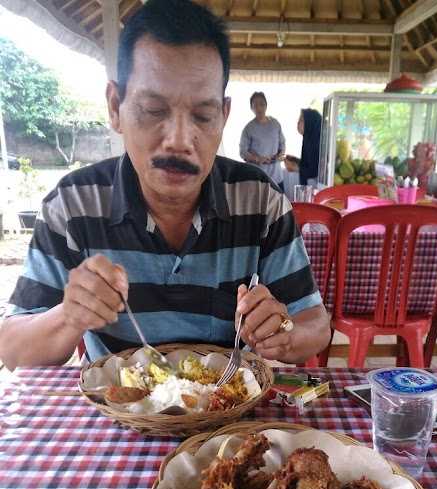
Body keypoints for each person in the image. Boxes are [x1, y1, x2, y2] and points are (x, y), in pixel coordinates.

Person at [0, 0, 330, 371]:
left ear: (223, 117)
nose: (178, 140)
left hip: (228, 419)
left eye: (202, 116)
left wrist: (283, 330)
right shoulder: (74, 204)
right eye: (153, 111)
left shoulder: (260, 201)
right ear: (115, 106)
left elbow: (316, 325)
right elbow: (12, 348)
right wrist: (69, 316)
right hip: (118, 418)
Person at [239, 92, 285, 187]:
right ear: (251, 108)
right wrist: (258, 159)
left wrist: (280, 154)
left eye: (262, 104)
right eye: (255, 105)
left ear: (266, 105)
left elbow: (282, 143)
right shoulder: (248, 128)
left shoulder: (275, 123)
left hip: (277, 176)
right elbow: (242, 152)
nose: (259, 108)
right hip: (258, 177)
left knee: (280, 201)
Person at [285, 108, 322, 186]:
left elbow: (316, 170)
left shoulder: (318, 143)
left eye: (301, 120)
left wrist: (296, 168)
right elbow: (309, 163)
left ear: (310, 122)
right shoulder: (308, 139)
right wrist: (295, 160)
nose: (298, 122)